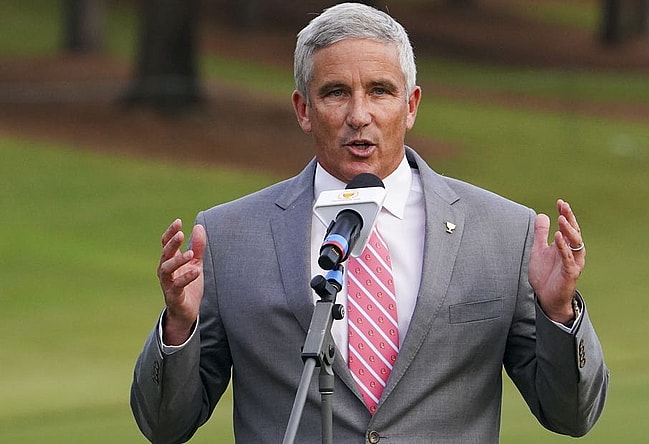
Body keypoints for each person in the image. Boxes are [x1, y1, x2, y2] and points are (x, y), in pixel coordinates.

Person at [130, 3, 609, 443]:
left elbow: (570, 415)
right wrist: (179, 326)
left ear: (412, 105)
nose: (359, 116)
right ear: (303, 109)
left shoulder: (503, 232)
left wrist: (558, 314)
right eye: (336, 93)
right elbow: (165, 425)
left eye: (380, 91)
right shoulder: (231, 238)